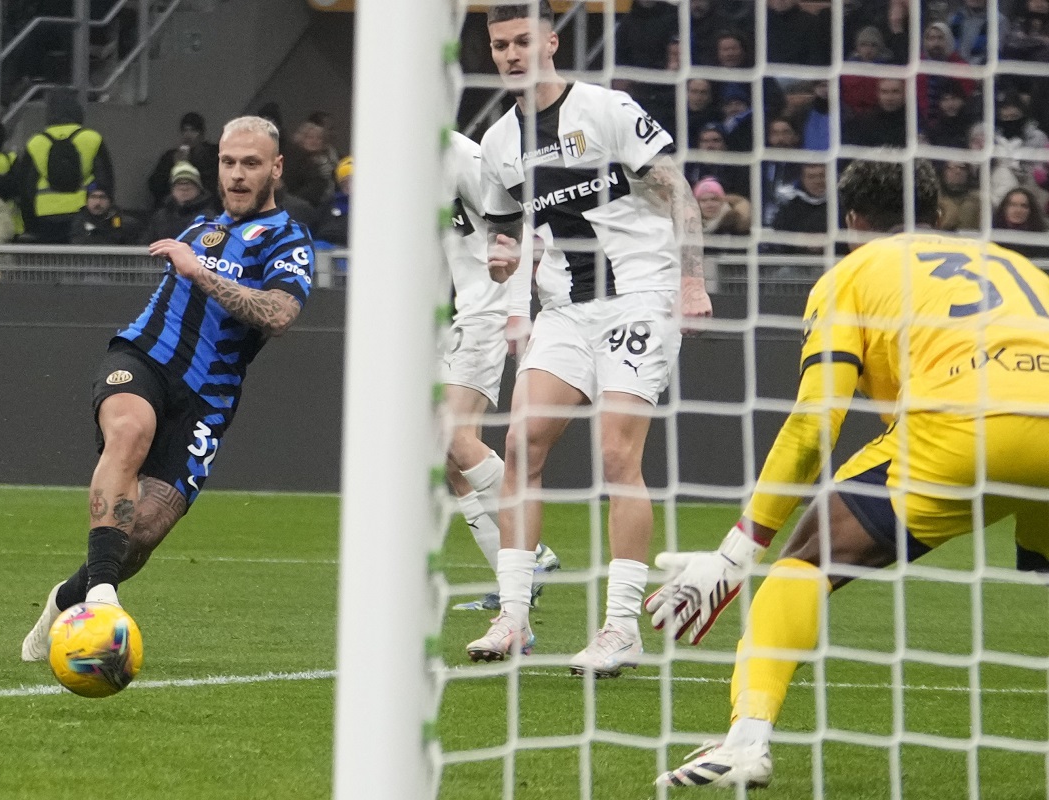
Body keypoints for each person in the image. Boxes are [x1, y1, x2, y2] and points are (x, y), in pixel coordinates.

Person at [649, 159, 1049, 788]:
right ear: (940, 215)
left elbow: (815, 425)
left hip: (964, 421)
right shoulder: (1014, 263)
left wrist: (736, 551)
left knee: (803, 562)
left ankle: (746, 740)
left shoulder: (853, 273)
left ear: (854, 221)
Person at [464, 2, 712, 675]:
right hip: (568, 308)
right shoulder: (497, 145)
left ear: (550, 41)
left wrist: (692, 281)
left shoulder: (606, 110)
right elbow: (502, 229)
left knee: (614, 454)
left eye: (522, 41)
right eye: (500, 46)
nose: (512, 55)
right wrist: (501, 255)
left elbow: (677, 193)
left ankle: (621, 627)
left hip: (640, 295)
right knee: (520, 444)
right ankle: (513, 615)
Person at [20, 115, 315, 660]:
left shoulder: (289, 241)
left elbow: (278, 314)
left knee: (143, 532)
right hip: (143, 358)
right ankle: (103, 599)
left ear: (276, 168)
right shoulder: (197, 229)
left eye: (251, 163)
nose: (237, 174)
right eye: (228, 162)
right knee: (129, 430)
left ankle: (66, 599)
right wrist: (195, 259)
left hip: (208, 398)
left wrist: (199, 272)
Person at [441, 130, 560, 613]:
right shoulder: (403, 163)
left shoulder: (462, 155)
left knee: (449, 433)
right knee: (450, 458)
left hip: (489, 309)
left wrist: (518, 308)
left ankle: (534, 552)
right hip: (465, 308)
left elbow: (521, 222)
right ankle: (514, 587)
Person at [17, 88, 114, 244]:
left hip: (46, 215)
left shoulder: (36, 142)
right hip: (83, 214)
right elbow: (105, 181)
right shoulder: (92, 138)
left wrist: (31, 224)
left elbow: (26, 187)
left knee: (52, 265)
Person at [146, 111, 219, 207]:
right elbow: (155, 187)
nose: (188, 135)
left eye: (193, 131)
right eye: (185, 130)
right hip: (175, 211)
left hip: (206, 208)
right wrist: (175, 166)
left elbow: (213, 186)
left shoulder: (213, 155)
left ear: (201, 134)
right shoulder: (170, 157)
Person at [142, 160, 217, 243]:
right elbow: (145, 246)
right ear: (172, 189)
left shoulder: (209, 218)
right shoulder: (160, 217)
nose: (184, 188)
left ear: (199, 189)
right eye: (179, 183)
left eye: (189, 183)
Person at [68, 183, 137, 245]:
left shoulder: (124, 222)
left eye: (102, 197)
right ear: (87, 201)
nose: (98, 202)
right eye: (93, 197)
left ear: (110, 201)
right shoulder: (79, 221)